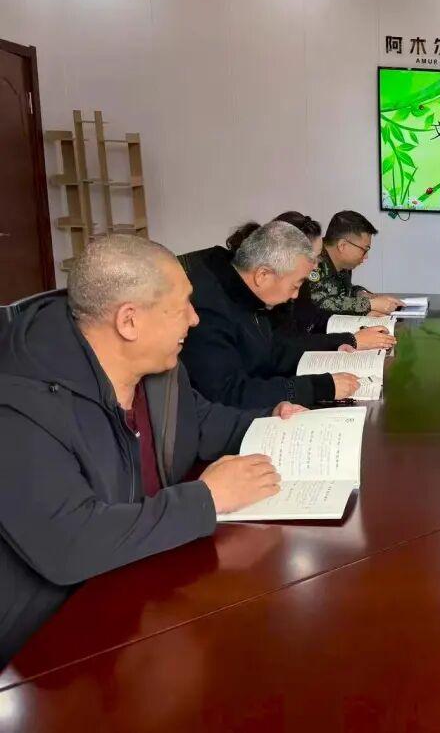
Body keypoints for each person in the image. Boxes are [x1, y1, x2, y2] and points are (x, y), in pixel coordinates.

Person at [0, 236, 304, 665]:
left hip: (141, 586)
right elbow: (70, 544)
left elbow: (203, 422)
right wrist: (207, 498)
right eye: (182, 307)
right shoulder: (20, 405)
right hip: (49, 648)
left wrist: (273, 420)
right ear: (129, 321)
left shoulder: (159, 370)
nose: (195, 319)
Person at [181, 221, 373, 408]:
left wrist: (335, 349)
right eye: (295, 285)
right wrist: (316, 388)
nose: (295, 295)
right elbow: (229, 393)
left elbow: (273, 350)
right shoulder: (208, 310)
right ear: (263, 275)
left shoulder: (249, 294)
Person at [221, 213, 393, 350]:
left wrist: (357, 324)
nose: (317, 265)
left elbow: (313, 319)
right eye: (314, 257)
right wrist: (352, 337)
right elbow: (286, 345)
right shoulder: (234, 311)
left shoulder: (286, 292)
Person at [306, 211, 405, 318]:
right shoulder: (313, 260)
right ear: (342, 245)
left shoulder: (344, 264)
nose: (366, 256)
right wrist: (371, 304)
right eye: (364, 250)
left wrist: (363, 294)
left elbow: (342, 292)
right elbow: (320, 303)